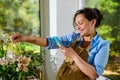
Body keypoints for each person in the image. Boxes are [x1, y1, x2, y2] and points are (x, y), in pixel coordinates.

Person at [10, 8, 110, 80]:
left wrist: (73, 55)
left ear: (93, 22)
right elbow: (49, 41)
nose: (78, 27)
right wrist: (24, 38)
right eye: (76, 25)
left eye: (80, 23)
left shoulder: (102, 45)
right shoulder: (74, 37)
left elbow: (94, 74)